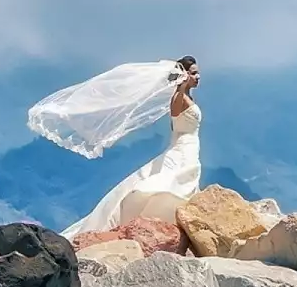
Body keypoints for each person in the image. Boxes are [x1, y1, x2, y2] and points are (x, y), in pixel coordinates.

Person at [62, 57, 202, 237]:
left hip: (190, 144)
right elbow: (175, 113)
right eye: (193, 73)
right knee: (173, 178)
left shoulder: (188, 97)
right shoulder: (179, 97)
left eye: (198, 73)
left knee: (184, 178)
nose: (198, 76)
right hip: (182, 145)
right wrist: (181, 87)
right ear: (184, 75)